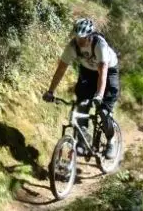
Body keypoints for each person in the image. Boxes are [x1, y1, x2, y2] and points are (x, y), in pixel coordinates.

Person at [42, 18, 120, 159]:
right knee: (81, 106)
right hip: (88, 72)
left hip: (108, 72)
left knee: (103, 111)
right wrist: (50, 91)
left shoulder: (99, 45)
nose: (79, 40)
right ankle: (83, 141)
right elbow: (61, 70)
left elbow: (102, 72)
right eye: (77, 37)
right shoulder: (72, 46)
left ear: (90, 36)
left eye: (83, 38)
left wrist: (99, 96)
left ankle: (111, 141)